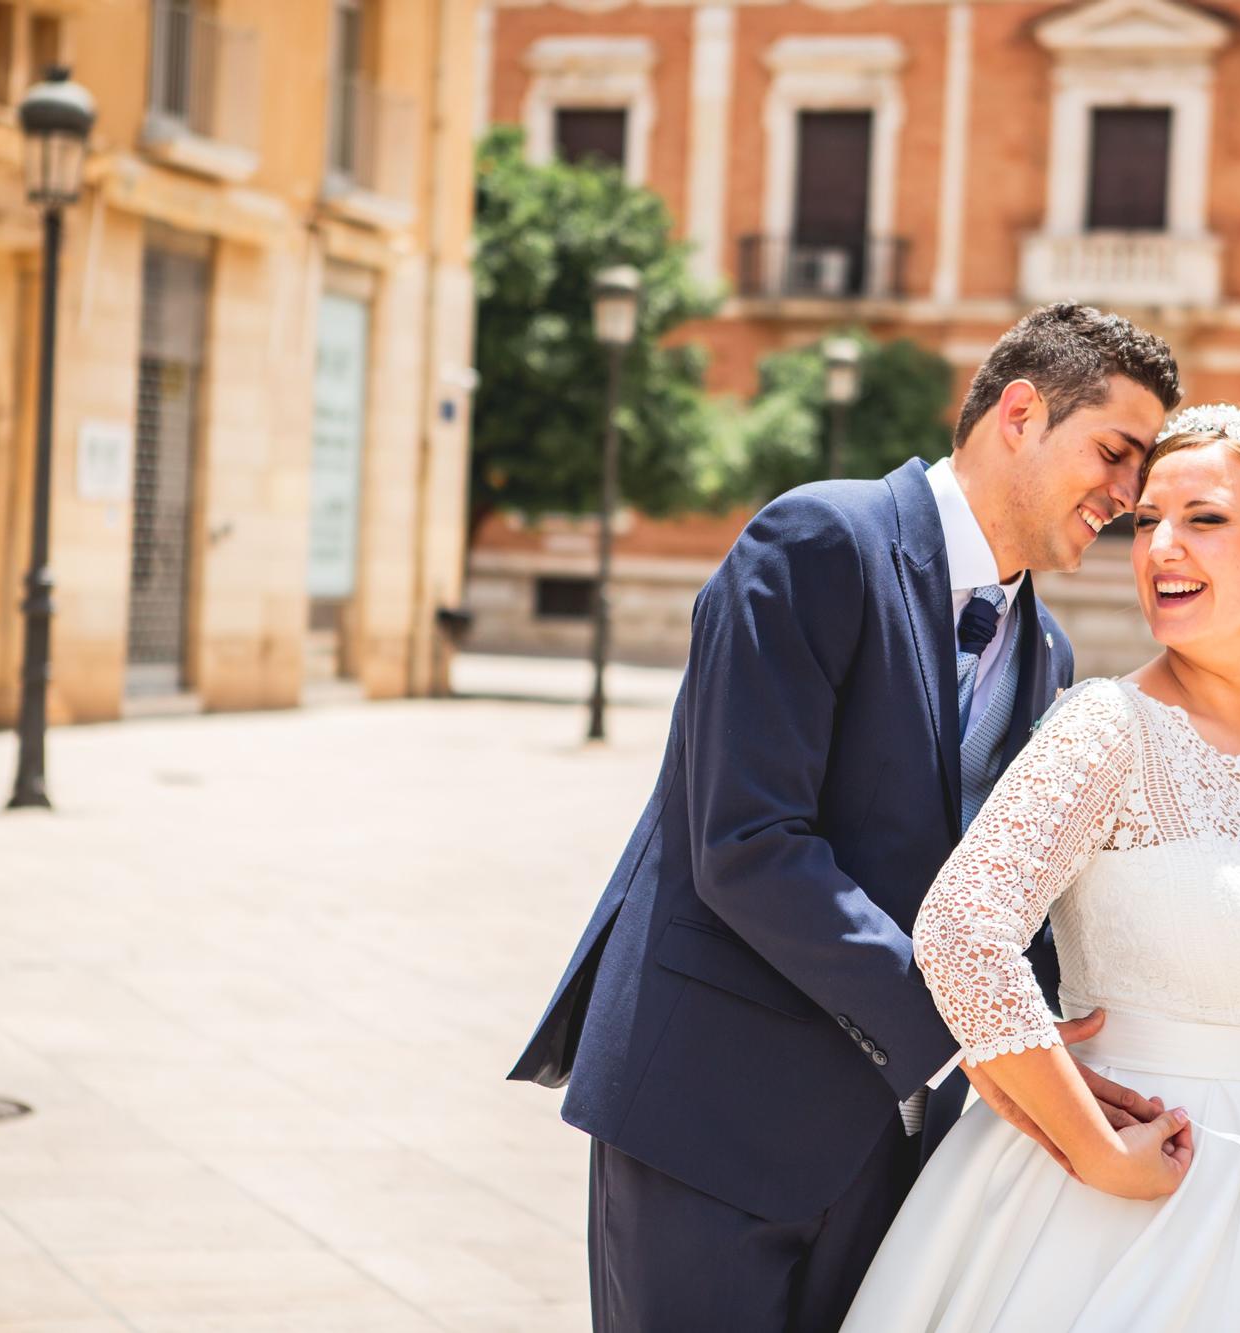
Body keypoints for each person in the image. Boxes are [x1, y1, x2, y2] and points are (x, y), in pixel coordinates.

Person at [506, 304, 1183, 1332]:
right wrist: (971, 1036)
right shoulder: (817, 537)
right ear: (1018, 411)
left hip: (889, 1154)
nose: (1128, 497)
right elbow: (746, 844)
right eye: (1115, 452)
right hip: (709, 1116)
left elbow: (993, 902)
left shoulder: (1046, 657)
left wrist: (1070, 1060)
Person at [842, 404, 1240, 1332]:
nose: (1160, 544)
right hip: (1135, 1200)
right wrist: (1092, 1148)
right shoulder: (1104, 728)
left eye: (1202, 518)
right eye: (1146, 519)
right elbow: (963, 930)